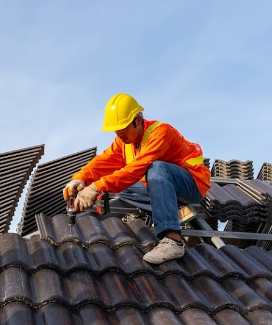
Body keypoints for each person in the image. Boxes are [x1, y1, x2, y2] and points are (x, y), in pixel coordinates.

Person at [63, 93, 211, 264]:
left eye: (123, 127)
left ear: (138, 120)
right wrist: (81, 178)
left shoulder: (161, 133)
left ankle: (173, 240)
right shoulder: (123, 142)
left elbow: (136, 168)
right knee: (120, 187)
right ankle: (174, 210)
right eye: (116, 129)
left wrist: (96, 187)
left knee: (155, 167)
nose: (119, 133)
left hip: (192, 184)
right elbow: (104, 161)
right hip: (164, 186)